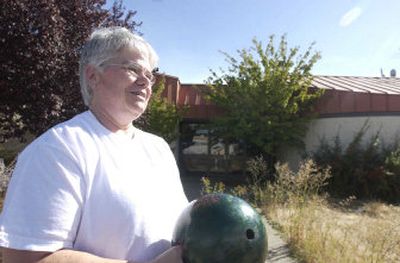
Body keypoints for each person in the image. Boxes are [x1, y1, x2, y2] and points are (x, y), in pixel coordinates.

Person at [0, 26, 189, 263]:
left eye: (149, 74)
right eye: (133, 69)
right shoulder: (58, 149)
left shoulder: (158, 148)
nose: (146, 82)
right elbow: (26, 258)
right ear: (93, 76)